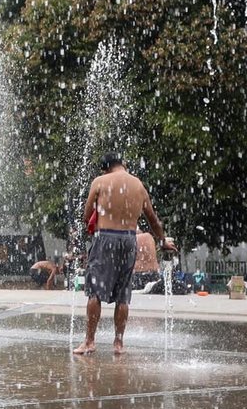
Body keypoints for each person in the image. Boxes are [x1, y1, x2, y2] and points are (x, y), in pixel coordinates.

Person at [73, 153, 173, 356]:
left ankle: (90, 341)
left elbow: (86, 216)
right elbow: (153, 220)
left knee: (95, 292)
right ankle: (118, 343)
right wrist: (163, 241)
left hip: (105, 238)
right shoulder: (139, 186)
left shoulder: (100, 181)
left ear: (105, 168)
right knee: (123, 295)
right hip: (129, 239)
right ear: (123, 164)